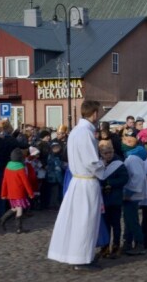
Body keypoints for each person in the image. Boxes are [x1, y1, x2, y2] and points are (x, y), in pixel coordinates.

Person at [47, 100, 106, 271]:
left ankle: (83, 255)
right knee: (85, 221)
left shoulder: (76, 131)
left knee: (80, 220)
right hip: (86, 182)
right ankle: (81, 258)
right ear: (94, 113)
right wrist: (103, 166)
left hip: (78, 181)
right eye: (98, 113)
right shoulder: (86, 133)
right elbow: (91, 161)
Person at [98, 140, 128, 259]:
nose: (108, 155)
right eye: (106, 153)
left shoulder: (119, 164)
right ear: (101, 153)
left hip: (114, 199)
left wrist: (110, 183)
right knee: (105, 225)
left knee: (115, 224)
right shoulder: (99, 164)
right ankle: (104, 247)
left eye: (110, 152)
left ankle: (116, 246)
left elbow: (124, 178)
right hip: (103, 200)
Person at [121, 129, 147, 256]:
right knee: (129, 219)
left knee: (131, 219)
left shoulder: (132, 158)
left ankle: (139, 242)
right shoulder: (132, 156)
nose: (127, 142)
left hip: (132, 194)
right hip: (132, 193)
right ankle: (128, 242)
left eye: (130, 140)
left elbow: (137, 177)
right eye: (126, 139)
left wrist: (129, 192)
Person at [0, 148, 35, 233]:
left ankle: (3, 219)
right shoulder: (20, 168)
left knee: (15, 208)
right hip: (19, 192)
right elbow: (25, 182)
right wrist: (30, 193)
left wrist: (3, 193)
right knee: (19, 209)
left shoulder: (8, 167)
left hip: (10, 192)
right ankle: (19, 228)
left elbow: (4, 181)